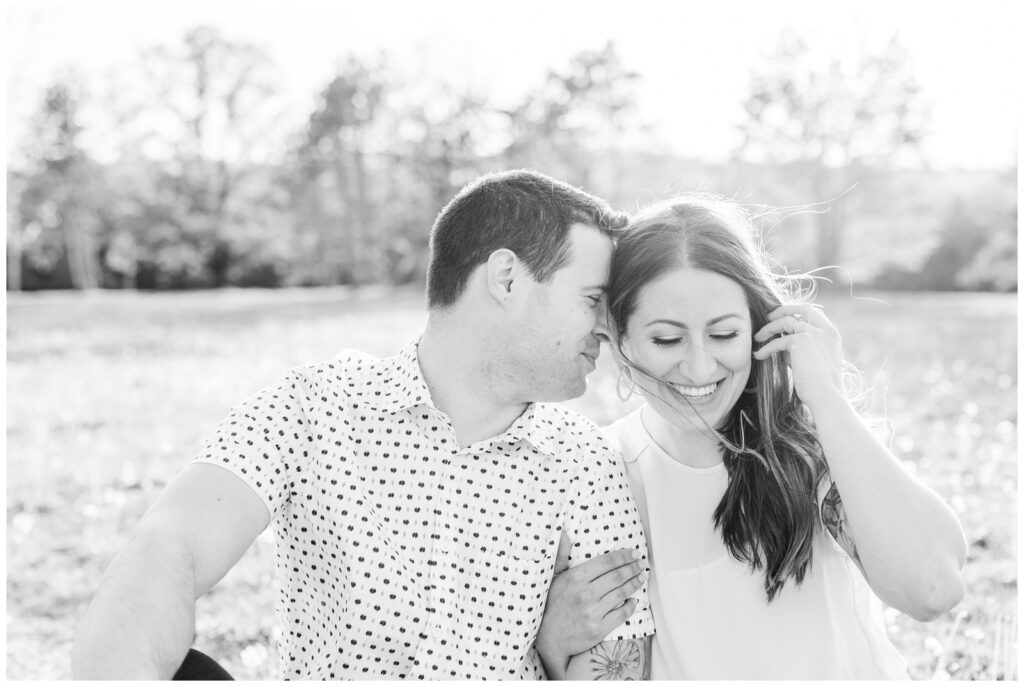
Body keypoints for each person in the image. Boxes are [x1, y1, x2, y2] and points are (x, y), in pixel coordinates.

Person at [71, 170, 653, 680]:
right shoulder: (315, 408)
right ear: (506, 279)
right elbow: (170, 546)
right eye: (592, 299)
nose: (609, 328)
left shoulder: (587, 460)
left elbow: (618, 664)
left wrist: (556, 655)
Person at [537, 194, 967, 679]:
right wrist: (551, 649)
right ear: (619, 335)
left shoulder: (811, 446)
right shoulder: (597, 472)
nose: (700, 367)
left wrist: (827, 400)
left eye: (723, 335)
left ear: (758, 329)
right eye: (666, 340)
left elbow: (933, 589)